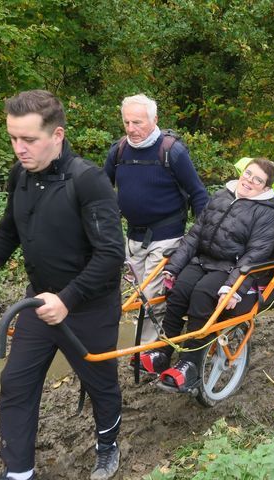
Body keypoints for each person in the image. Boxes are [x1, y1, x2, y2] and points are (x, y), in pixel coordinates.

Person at [0, 90, 125, 480]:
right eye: (13, 138)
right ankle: (19, 472)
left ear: (57, 135)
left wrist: (68, 299)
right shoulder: (21, 176)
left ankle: (108, 445)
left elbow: (111, 254)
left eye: (28, 140)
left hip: (88, 306)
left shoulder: (88, 181)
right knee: (15, 382)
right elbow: (8, 231)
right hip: (37, 304)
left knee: (100, 383)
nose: (19, 149)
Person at [137, 158, 274, 391]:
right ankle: (163, 352)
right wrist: (174, 267)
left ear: (265, 187)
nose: (249, 181)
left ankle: (190, 365)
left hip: (230, 268)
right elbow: (194, 235)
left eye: (258, 180)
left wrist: (233, 287)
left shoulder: (265, 213)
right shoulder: (222, 196)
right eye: (248, 174)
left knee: (202, 294)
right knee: (180, 291)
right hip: (202, 259)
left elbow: (256, 254)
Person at [104, 94, 208, 344]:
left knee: (153, 296)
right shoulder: (118, 151)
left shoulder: (172, 151)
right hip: (133, 238)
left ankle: (150, 351)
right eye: (127, 122)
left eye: (138, 122)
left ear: (155, 120)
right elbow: (101, 192)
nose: (131, 129)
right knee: (142, 296)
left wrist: (204, 234)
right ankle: (162, 339)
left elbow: (198, 193)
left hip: (167, 236)